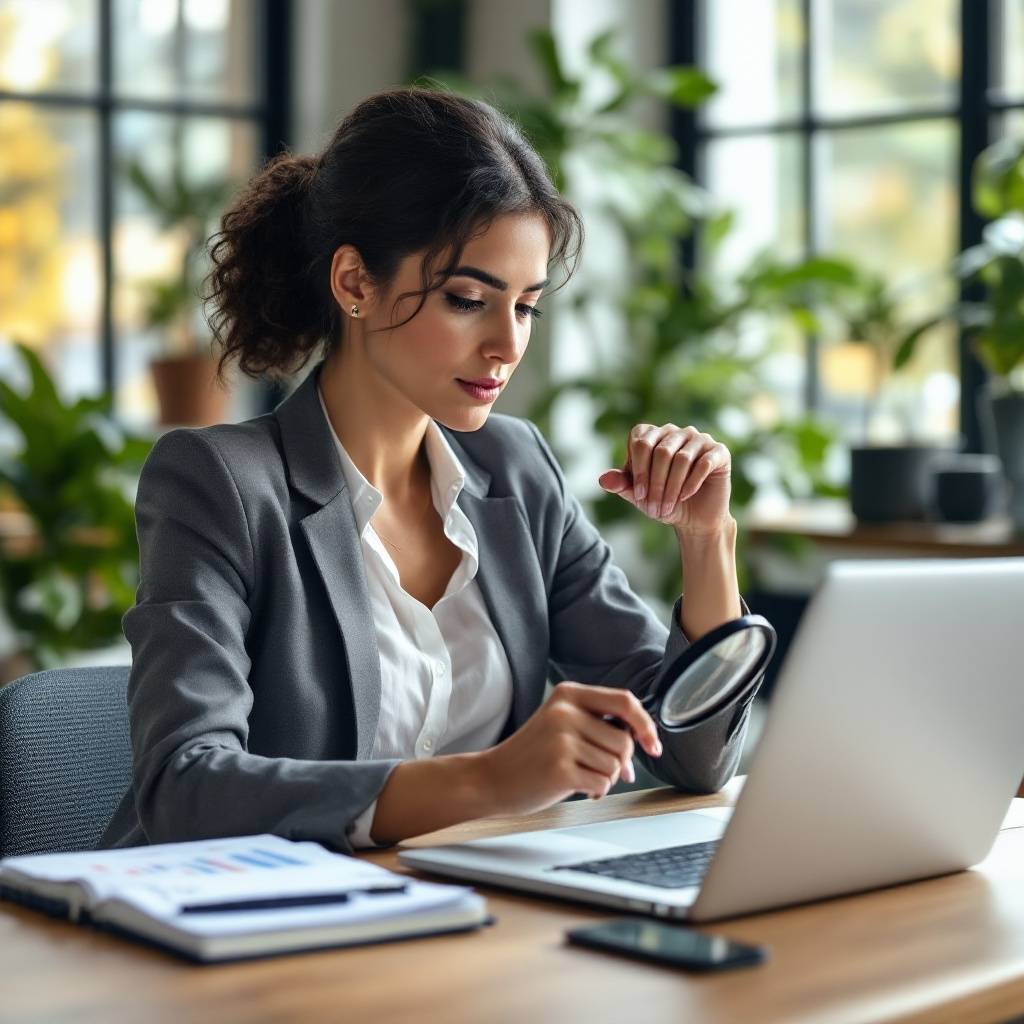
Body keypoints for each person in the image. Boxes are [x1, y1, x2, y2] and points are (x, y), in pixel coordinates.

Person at [100, 87, 759, 854]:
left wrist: (706, 542)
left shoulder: (516, 472)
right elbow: (186, 786)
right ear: (354, 283)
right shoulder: (220, 483)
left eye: (526, 307)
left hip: (465, 915)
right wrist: (489, 780)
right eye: (469, 299)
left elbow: (695, 756)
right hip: (242, 935)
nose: (507, 347)